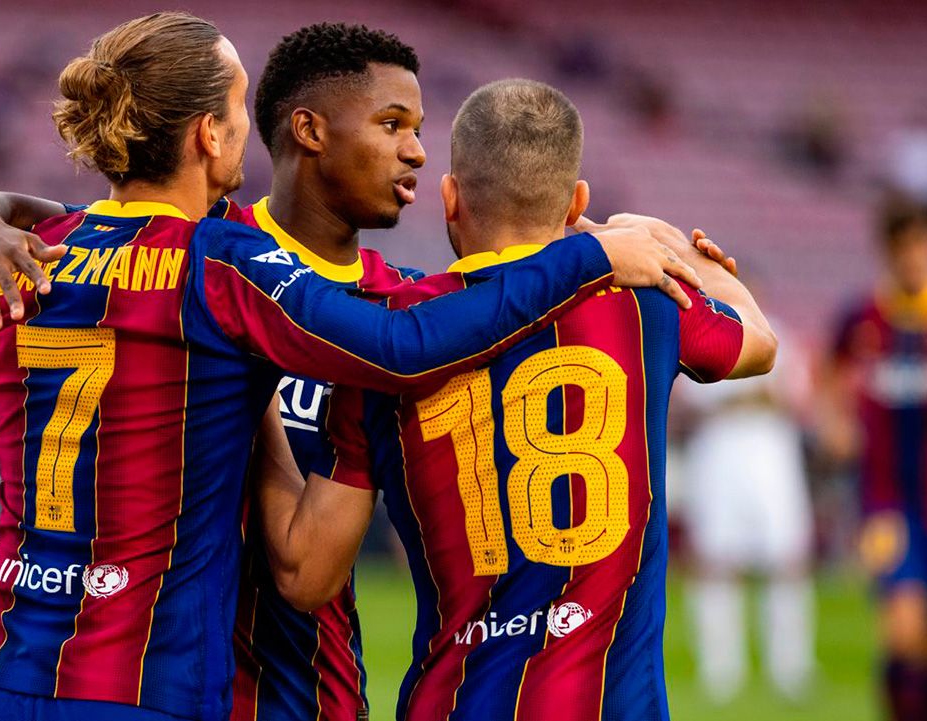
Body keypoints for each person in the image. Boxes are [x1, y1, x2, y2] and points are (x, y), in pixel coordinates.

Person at [0, 13, 697, 721]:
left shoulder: (16, 263)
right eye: (238, 106)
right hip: (147, 683)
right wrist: (589, 259)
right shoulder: (224, 265)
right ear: (207, 133)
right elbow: (404, 349)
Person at [252, 79, 777, 721]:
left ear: (449, 198)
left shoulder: (384, 342)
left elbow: (305, 578)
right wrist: (681, 253)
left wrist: (252, 405)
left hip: (454, 702)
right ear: (577, 200)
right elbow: (761, 344)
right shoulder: (646, 305)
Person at [826, 200, 927, 721]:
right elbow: (828, 373)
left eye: (925, 246)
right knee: (904, 628)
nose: (917, 258)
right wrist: (836, 423)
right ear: (890, 251)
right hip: (886, 501)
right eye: (907, 248)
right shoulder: (863, 317)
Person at [678, 315, 815, 704]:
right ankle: (720, 668)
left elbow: (793, 397)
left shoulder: (781, 335)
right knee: (716, 561)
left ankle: (791, 665)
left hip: (771, 454)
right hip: (719, 453)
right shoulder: (704, 335)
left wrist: (744, 396)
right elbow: (692, 397)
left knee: (787, 558)